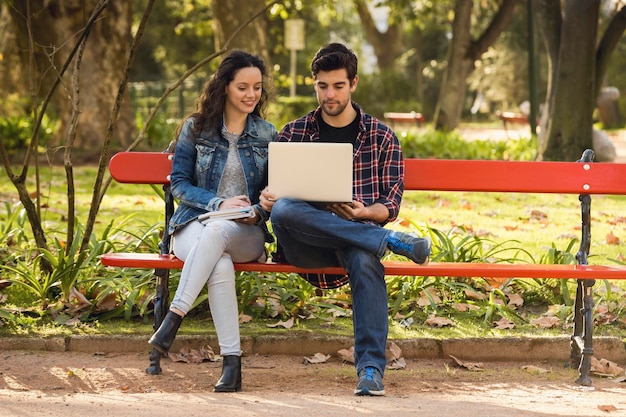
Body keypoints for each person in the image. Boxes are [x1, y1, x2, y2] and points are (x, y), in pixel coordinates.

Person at [259, 43, 431, 397]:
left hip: (356, 240)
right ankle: (389, 242)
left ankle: (370, 369)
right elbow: (271, 198)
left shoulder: (382, 137)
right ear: (314, 84)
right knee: (286, 209)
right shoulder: (293, 133)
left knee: (365, 259)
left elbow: (389, 206)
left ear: (353, 83)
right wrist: (266, 198)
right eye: (323, 86)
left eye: (338, 86)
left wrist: (365, 214)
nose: (329, 94)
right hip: (305, 246)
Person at [148, 50, 276, 393]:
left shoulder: (267, 134)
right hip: (193, 224)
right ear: (225, 87)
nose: (251, 95)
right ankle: (231, 366)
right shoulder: (197, 127)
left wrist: (260, 208)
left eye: (257, 88)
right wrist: (217, 202)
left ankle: (173, 318)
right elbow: (178, 183)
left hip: (244, 231)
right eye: (243, 87)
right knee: (218, 263)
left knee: (221, 232)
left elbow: (273, 193)